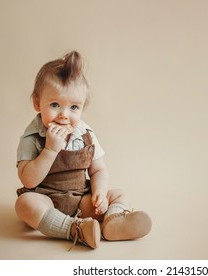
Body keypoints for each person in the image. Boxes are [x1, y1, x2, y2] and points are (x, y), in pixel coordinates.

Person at [14, 51, 151, 249]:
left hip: (80, 201)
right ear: (37, 102)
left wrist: (100, 194)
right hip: (46, 201)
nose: (64, 115)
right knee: (24, 204)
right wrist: (50, 150)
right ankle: (75, 229)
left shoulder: (85, 134)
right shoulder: (32, 138)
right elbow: (28, 180)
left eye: (74, 108)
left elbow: (99, 170)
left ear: (82, 107)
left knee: (120, 194)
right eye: (54, 105)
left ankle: (113, 223)